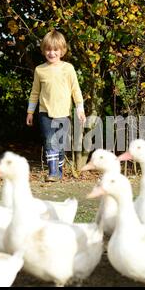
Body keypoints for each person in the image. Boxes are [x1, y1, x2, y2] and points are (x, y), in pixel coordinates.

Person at [26, 30, 86, 182]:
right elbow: (34, 92)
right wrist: (30, 112)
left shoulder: (68, 68)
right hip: (45, 112)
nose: (51, 53)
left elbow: (75, 90)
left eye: (55, 50)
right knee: (49, 140)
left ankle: (58, 172)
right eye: (48, 49)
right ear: (43, 50)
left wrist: (80, 109)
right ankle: (52, 172)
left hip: (63, 113)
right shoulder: (40, 70)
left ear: (62, 51)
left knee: (59, 144)